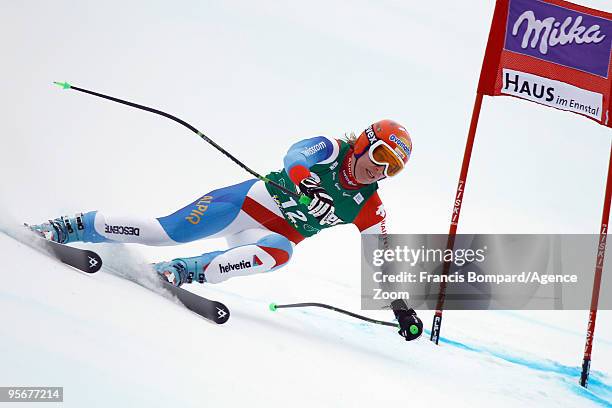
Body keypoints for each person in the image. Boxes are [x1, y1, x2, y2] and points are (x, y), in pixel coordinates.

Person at [30, 119, 423, 341]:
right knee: (162, 231)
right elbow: (294, 156)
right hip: (240, 206)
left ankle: (182, 271)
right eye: (380, 156)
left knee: (281, 254)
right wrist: (305, 183)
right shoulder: (332, 149)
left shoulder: (370, 206)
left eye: (392, 168)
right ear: (364, 145)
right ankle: (68, 226)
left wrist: (401, 310)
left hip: (265, 237)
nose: (380, 169)